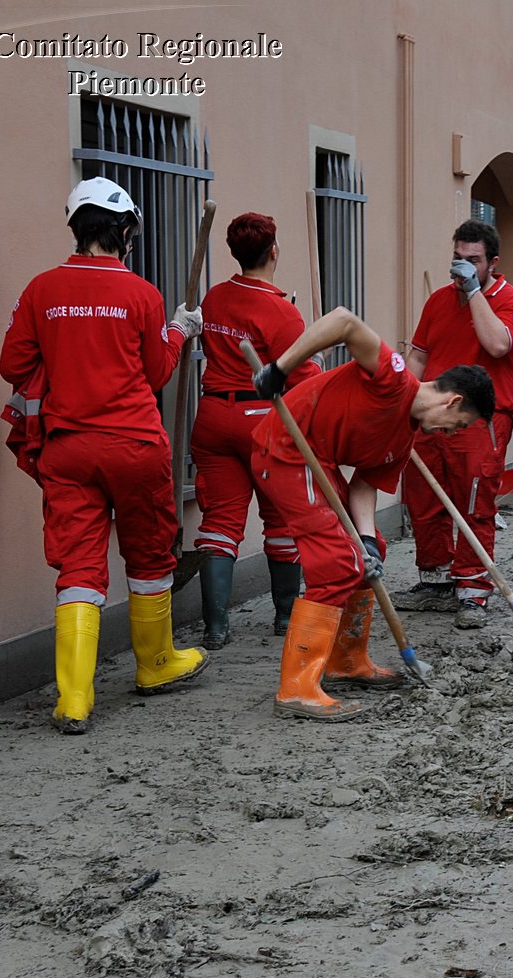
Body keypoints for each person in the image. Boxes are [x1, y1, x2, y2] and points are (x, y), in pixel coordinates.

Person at [0, 177, 210, 734]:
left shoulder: (41, 289)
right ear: (126, 232)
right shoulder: (141, 294)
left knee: (78, 567)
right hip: (135, 445)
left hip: (67, 450)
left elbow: (11, 365)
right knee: (148, 557)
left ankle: (73, 698)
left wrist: (63, 373)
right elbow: (159, 373)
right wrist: (177, 331)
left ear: (76, 229)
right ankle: (156, 664)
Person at [250, 307, 495, 721]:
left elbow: (363, 487)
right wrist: (281, 367)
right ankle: (296, 688)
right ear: (453, 401)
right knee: (335, 563)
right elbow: (345, 321)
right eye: (458, 424)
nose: (450, 434)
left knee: (368, 555)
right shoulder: (393, 380)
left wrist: (366, 541)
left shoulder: (404, 438)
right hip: (287, 449)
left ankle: (347, 661)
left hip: (318, 464)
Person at [192, 212, 320, 650]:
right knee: (280, 517)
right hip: (261, 421)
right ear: (274, 252)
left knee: (220, 519)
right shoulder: (282, 312)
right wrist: (314, 357)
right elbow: (302, 379)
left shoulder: (213, 298)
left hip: (211, 416)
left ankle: (216, 628)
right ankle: (286, 616)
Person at [396, 221, 513, 629]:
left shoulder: (511, 301)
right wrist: (408, 399)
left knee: (473, 501)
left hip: (478, 421)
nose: (463, 268)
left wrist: (474, 292)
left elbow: (498, 344)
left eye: (473, 261)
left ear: (493, 262)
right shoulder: (438, 301)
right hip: (432, 416)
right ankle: (435, 579)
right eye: (458, 259)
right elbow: (419, 355)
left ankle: (473, 588)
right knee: (423, 498)